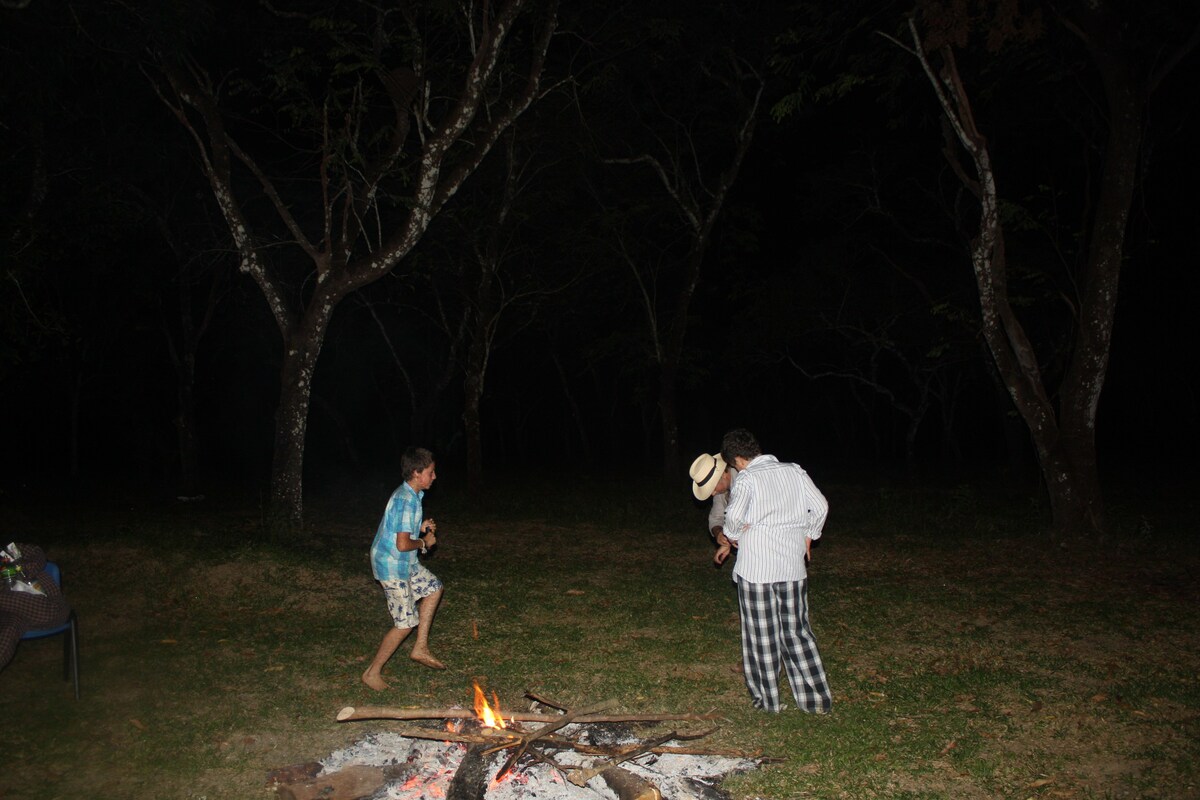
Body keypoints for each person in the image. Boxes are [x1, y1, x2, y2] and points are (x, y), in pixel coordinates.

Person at [716, 428, 832, 714]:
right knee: (797, 632)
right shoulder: (795, 471)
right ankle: (815, 701)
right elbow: (820, 506)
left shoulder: (748, 478)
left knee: (762, 636)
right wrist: (810, 533)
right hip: (792, 568)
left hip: (756, 570)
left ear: (737, 461)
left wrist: (735, 535)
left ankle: (768, 702)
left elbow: (733, 520)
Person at [361, 446, 446, 691]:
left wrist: (419, 527)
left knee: (433, 588)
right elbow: (402, 544)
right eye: (431, 472)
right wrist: (424, 542)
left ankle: (420, 648)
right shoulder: (405, 500)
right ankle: (372, 673)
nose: (434, 476)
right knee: (405, 623)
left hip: (403, 562)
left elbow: (401, 530)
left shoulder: (412, 495)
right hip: (392, 565)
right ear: (417, 473)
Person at [1, 542, 70, 671]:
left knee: (46, 612)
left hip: (45, 604)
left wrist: (18, 569)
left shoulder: (9, 550)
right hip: (11, 615)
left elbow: (38, 555)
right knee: (8, 630)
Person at [688, 452, 737, 560]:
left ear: (723, 474)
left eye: (712, 488)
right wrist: (719, 533)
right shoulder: (721, 489)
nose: (713, 494)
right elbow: (716, 518)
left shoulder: (746, 481)